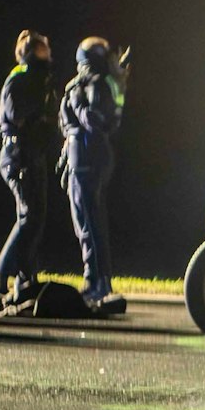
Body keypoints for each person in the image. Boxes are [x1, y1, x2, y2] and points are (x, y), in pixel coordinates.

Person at [0, 30, 57, 301]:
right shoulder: (19, 79)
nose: (48, 55)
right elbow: (18, 115)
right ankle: (1, 272)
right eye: (43, 51)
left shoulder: (43, 80)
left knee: (34, 218)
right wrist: (41, 114)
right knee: (30, 216)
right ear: (30, 53)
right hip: (18, 155)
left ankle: (26, 279)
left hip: (34, 154)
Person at [60, 36, 127, 313]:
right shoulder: (104, 82)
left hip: (89, 156)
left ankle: (97, 282)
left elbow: (94, 122)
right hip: (85, 156)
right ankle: (98, 280)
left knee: (88, 222)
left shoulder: (94, 84)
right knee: (88, 221)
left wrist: (76, 102)